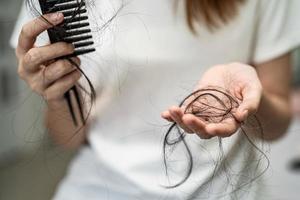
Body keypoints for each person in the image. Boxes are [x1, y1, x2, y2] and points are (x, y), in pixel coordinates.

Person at [12, 0, 300, 199]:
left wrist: (249, 99)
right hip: (103, 184)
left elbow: (277, 126)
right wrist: (59, 95)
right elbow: (68, 138)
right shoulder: (55, 5)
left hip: (229, 189)